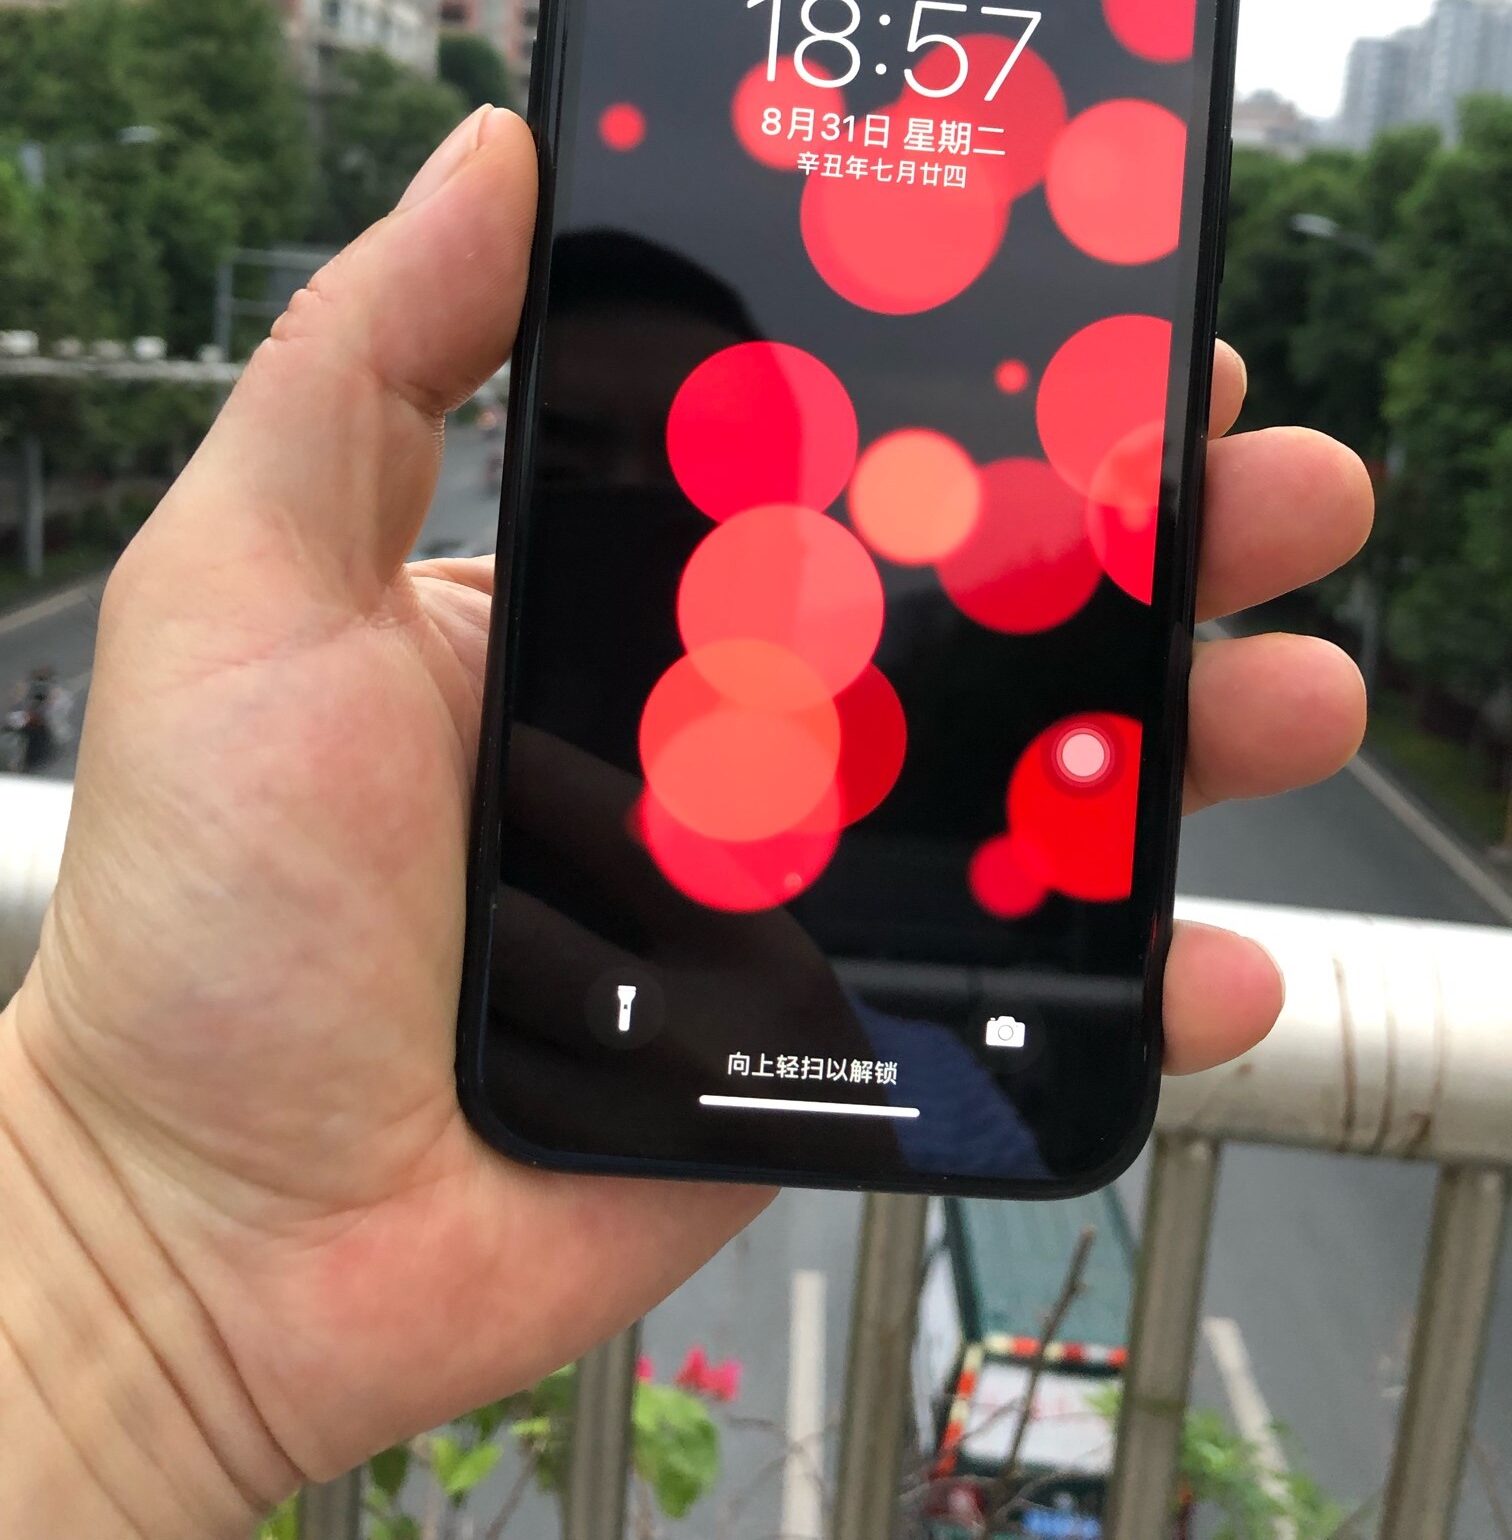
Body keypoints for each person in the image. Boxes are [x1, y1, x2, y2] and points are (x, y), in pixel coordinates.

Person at [0, 106, 1374, 1536]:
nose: (630, 503)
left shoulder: (933, 761)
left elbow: (976, 1099)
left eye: (697, 453)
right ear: (511, 457)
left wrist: (135, 1300)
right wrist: (123, 1228)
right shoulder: (382, 745)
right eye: (575, 448)